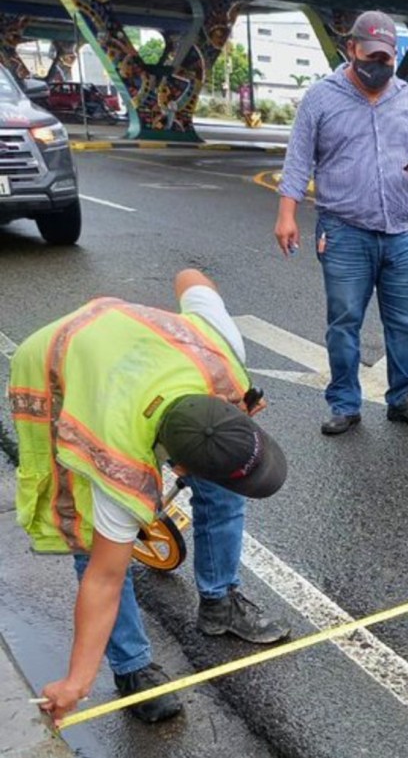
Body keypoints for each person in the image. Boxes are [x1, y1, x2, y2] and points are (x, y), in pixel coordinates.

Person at [8, 269, 291, 725]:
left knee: (222, 480)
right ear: (179, 468)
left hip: (127, 336)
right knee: (91, 537)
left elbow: (189, 276)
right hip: (57, 365)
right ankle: (132, 667)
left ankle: (219, 602)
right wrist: (76, 683)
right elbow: (103, 578)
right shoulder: (112, 460)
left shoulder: (218, 348)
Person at [274, 10, 408, 436]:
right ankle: (344, 403)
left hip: (404, 230)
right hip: (344, 229)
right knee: (344, 322)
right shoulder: (320, 98)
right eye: (371, 56)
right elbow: (298, 160)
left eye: (386, 59)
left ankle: (403, 398)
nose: (378, 66)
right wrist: (287, 214)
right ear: (351, 49)